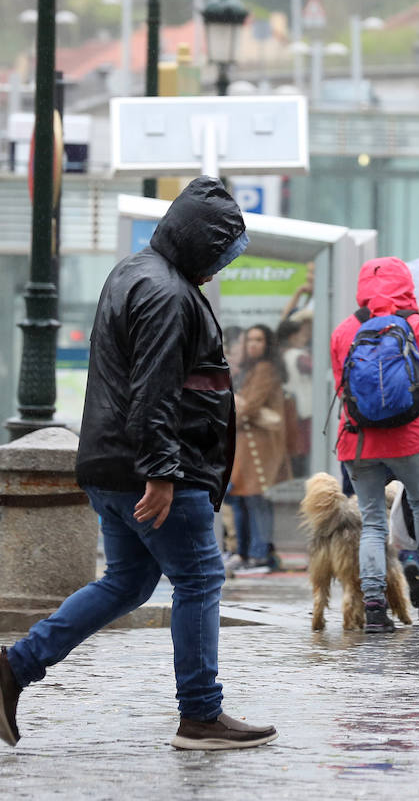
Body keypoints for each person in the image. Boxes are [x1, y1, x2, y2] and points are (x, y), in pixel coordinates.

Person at [0, 176, 277, 750]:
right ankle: (200, 714)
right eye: (218, 253)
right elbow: (155, 391)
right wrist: (162, 472)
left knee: (127, 580)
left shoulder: (134, 271)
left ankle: (13, 667)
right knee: (199, 578)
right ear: (198, 242)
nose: (220, 266)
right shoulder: (168, 293)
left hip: (109, 463)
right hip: (149, 469)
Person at [330, 258, 419, 633]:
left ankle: (375, 607)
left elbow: (341, 388)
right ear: (404, 284)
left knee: (374, 522)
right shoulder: (413, 323)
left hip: (357, 441)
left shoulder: (345, 329)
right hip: (407, 436)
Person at [225, 324, 290, 573]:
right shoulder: (253, 369)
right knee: (247, 499)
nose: (253, 345)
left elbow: (248, 407)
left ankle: (258, 555)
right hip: (250, 445)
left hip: (260, 447)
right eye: (250, 340)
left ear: (267, 344)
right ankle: (251, 553)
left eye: (259, 340)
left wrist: (235, 409)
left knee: (255, 500)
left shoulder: (265, 369)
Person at [277, 312, 314, 478]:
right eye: (302, 333)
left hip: (292, 407)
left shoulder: (281, 354)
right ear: (293, 336)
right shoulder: (299, 356)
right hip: (303, 409)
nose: (306, 336)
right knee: (303, 448)